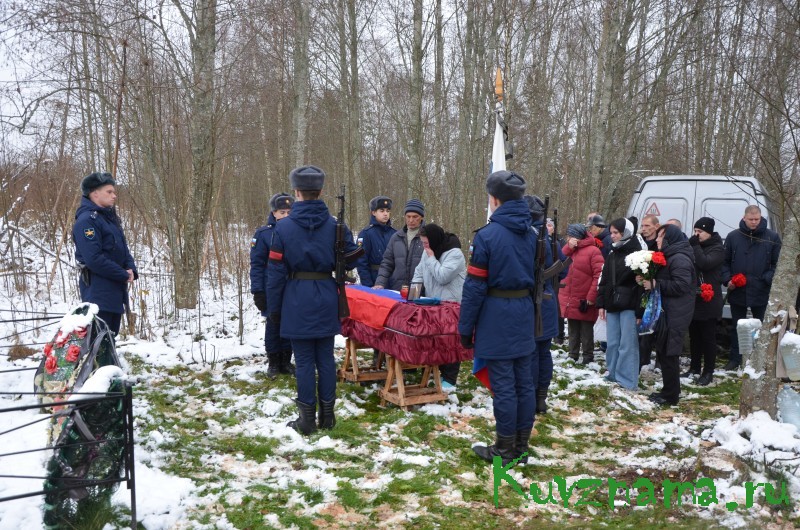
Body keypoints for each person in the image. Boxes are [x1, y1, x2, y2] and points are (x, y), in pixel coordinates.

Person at [266, 165, 362, 435]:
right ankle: (328, 416)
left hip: (296, 296)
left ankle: (307, 419)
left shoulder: (283, 228)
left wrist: (273, 308)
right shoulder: (336, 226)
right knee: (325, 358)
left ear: (297, 192)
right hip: (326, 294)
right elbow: (355, 257)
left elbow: (275, 274)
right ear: (320, 192)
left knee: (305, 360)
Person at [459, 170, 537, 466]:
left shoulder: (488, 236)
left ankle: (505, 450)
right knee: (523, 384)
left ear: (494, 199)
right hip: (523, 313)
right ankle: (521, 446)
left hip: (497, 315)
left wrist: (465, 327)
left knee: (505, 385)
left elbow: (475, 287)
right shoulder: (531, 234)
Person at [72, 172, 137, 336]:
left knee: (110, 338)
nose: (114, 196)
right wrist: (122, 274)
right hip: (98, 292)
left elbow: (123, 249)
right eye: (109, 192)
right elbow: (93, 259)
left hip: (115, 290)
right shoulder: (87, 221)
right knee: (99, 342)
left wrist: (131, 269)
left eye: (114, 192)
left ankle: (109, 362)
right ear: (94, 193)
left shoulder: (109, 219)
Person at [638, 224, 695, 406]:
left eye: (661, 237)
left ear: (670, 239)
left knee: (669, 355)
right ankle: (669, 391)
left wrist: (655, 284)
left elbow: (682, 286)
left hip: (676, 313)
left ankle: (671, 396)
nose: (657, 240)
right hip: (669, 311)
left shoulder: (679, 259)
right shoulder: (671, 256)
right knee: (664, 353)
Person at [720, 205, 781, 370]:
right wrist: (728, 280)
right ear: (744, 218)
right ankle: (735, 359)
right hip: (738, 290)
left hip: (761, 290)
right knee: (737, 326)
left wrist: (765, 279)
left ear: (761, 218)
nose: (754, 222)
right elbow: (724, 263)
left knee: (760, 326)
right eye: (751, 219)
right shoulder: (733, 237)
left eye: (757, 219)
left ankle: (758, 360)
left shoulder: (772, 237)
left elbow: (778, 264)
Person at [411, 223, 466, 388]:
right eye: (423, 243)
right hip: (433, 302)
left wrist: (431, 258)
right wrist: (413, 295)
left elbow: (442, 276)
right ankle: (432, 372)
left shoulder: (455, 254)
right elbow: (419, 273)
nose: (425, 246)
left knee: (450, 341)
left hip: (452, 304)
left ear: (434, 240)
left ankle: (449, 378)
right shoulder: (427, 252)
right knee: (434, 341)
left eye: (427, 243)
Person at [596, 217, 646, 390]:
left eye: (616, 233)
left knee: (627, 344)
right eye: (611, 233)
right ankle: (613, 373)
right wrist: (601, 303)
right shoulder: (612, 253)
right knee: (613, 342)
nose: (613, 236)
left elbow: (642, 286)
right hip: (612, 303)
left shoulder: (638, 255)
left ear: (626, 232)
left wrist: (640, 311)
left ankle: (627, 380)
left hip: (629, 304)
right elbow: (605, 280)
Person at [250, 193, 294, 379]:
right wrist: (258, 290)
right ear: (274, 213)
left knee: (290, 324)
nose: (285, 216)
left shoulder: (296, 232)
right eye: (282, 212)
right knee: (273, 324)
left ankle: (286, 360)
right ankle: (274, 362)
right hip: (271, 288)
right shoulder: (263, 234)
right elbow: (257, 265)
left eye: (289, 212)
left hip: (292, 286)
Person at [528, 196, 563, 415]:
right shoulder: (549, 240)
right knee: (543, 353)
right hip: (547, 302)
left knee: (534, 354)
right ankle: (541, 397)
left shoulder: (532, 238)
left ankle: (535, 397)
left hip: (538, 303)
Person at [686, 217, 725, 386]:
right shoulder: (696, 246)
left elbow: (704, 263)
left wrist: (694, 246)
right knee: (694, 336)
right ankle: (694, 367)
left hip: (709, 299)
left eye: (700, 232)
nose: (696, 235)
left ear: (708, 232)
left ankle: (708, 371)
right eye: (695, 231)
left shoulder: (717, 248)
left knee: (708, 337)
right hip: (694, 297)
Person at [559, 223, 603, 364]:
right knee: (572, 328)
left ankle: (587, 356)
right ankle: (573, 354)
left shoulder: (593, 251)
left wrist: (591, 297)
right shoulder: (570, 250)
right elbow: (559, 261)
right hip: (569, 296)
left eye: (570, 235)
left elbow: (599, 275)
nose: (568, 238)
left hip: (585, 297)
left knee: (586, 329)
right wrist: (569, 247)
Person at [374, 199, 425, 291]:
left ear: (421, 217)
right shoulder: (396, 237)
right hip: (398, 289)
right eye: (408, 216)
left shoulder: (428, 237)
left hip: (420, 291)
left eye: (415, 217)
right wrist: (380, 283)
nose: (411, 220)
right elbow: (387, 263)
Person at [356, 196, 396, 287]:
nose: (385, 214)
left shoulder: (395, 234)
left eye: (388, 211)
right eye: (382, 211)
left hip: (393, 282)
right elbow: (361, 262)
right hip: (374, 280)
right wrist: (369, 286)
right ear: (373, 212)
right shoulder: (366, 234)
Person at [638, 214, 660, 370]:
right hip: (640, 288)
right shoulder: (639, 242)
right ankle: (642, 358)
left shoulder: (659, 244)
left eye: (647, 226)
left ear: (656, 226)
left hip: (656, 290)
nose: (644, 229)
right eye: (643, 226)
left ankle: (656, 360)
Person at [547, 217, 569, 345]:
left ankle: (558, 335)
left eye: (550, 225)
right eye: (546, 225)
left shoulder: (559, 242)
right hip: (545, 281)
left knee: (557, 309)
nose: (547, 228)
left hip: (555, 281)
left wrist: (558, 277)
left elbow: (564, 264)